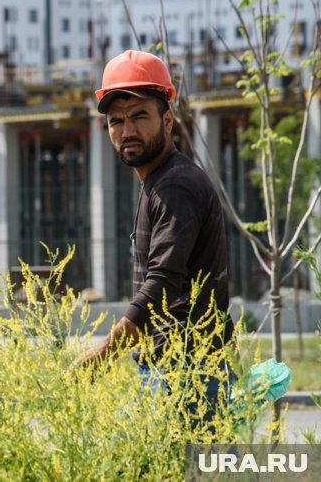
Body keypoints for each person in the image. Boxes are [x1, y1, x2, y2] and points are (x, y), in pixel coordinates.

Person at [71, 50, 235, 425]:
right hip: (174, 370)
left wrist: (102, 353)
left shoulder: (175, 185)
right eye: (116, 121)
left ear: (167, 118)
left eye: (139, 116)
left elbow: (161, 283)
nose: (127, 130)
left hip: (187, 375)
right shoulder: (158, 182)